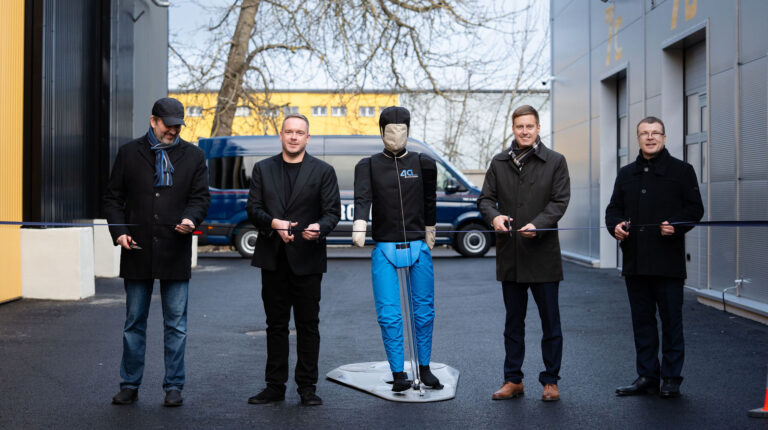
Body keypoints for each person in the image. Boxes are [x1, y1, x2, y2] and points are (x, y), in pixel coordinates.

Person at [104, 97, 210, 407]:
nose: (173, 131)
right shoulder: (128, 153)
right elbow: (112, 198)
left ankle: (174, 386)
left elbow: (200, 198)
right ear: (153, 121)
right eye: (168, 125)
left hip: (175, 250)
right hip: (136, 250)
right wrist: (120, 231)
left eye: (178, 126)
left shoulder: (194, 156)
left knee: (176, 324)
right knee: (134, 322)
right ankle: (129, 384)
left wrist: (191, 218)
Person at [245, 113, 340, 406]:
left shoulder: (323, 171)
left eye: (300, 132)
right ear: (282, 135)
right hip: (273, 258)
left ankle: (307, 387)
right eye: (289, 131)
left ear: (307, 138)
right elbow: (253, 208)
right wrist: (273, 223)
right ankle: (274, 386)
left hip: (308, 259)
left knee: (308, 326)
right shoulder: (263, 169)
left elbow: (331, 212)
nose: (294, 136)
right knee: (275, 326)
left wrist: (320, 228)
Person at [605, 116, 703, 399]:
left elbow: (695, 209)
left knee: (672, 322)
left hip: (668, 263)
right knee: (642, 322)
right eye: (644, 133)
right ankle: (647, 376)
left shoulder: (682, 171)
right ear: (638, 138)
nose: (650, 137)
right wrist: (616, 226)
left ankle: (671, 378)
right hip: (635, 263)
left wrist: (677, 223)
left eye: (655, 133)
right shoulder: (626, 174)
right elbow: (613, 210)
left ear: (664, 136)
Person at [478, 104, 570, 402]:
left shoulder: (555, 161)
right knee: (513, 323)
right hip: (511, 255)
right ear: (513, 129)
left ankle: (550, 381)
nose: (525, 131)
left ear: (539, 128)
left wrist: (539, 225)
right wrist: (494, 217)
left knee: (550, 324)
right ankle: (513, 380)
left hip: (542, 255)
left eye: (530, 126)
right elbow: (485, 199)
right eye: (520, 127)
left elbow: (559, 202)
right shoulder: (499, 162)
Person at [351, 106, 443, 392]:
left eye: (401, 131)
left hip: (418, 244)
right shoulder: (367, 165)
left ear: (408, 131)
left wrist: (431, 227)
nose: (395, 136)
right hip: (384, 247)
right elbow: (363, 196)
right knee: (389, 314)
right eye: (389, 131)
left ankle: (424, 368)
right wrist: (359, 222)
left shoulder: (423, 163)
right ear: (381, 132)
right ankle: (398, 372)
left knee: (424, 311)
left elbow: (430, 200)